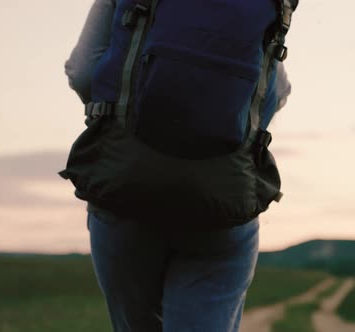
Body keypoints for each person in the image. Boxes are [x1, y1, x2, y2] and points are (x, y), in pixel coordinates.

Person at [64, 0, 292, 331]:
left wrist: (124, 114)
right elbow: (276, 91)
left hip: (126, 183)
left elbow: (82, 71)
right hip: (223, 196)